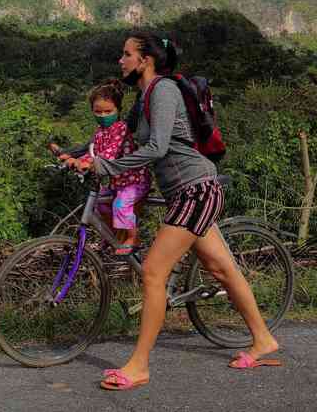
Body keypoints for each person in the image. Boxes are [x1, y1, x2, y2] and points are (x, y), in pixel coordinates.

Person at [71, 32, 280, 390]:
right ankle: (264, 339)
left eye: (126, 55)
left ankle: (139, 366)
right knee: (222, 268)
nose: (120, 61)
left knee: (153, 271)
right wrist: (81, 155)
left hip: (195, 190)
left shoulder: (163, 91)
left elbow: (157, 147)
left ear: (145, 60)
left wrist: (106, 168)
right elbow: (118, 136)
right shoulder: (144, 96)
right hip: (185, 193)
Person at [49, 79, 151, 255]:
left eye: (108, 111)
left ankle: (133, 238)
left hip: (134, 181)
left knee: (120, 205)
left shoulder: (120, 128)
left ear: (118, 110)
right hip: (116, 183)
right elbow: (94, 152)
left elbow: (108, 155)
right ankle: (111, 236)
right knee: (101, 206)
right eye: (98, 111)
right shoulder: (100, 131)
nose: (103, 115)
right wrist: (76, 159)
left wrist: (85, 163)